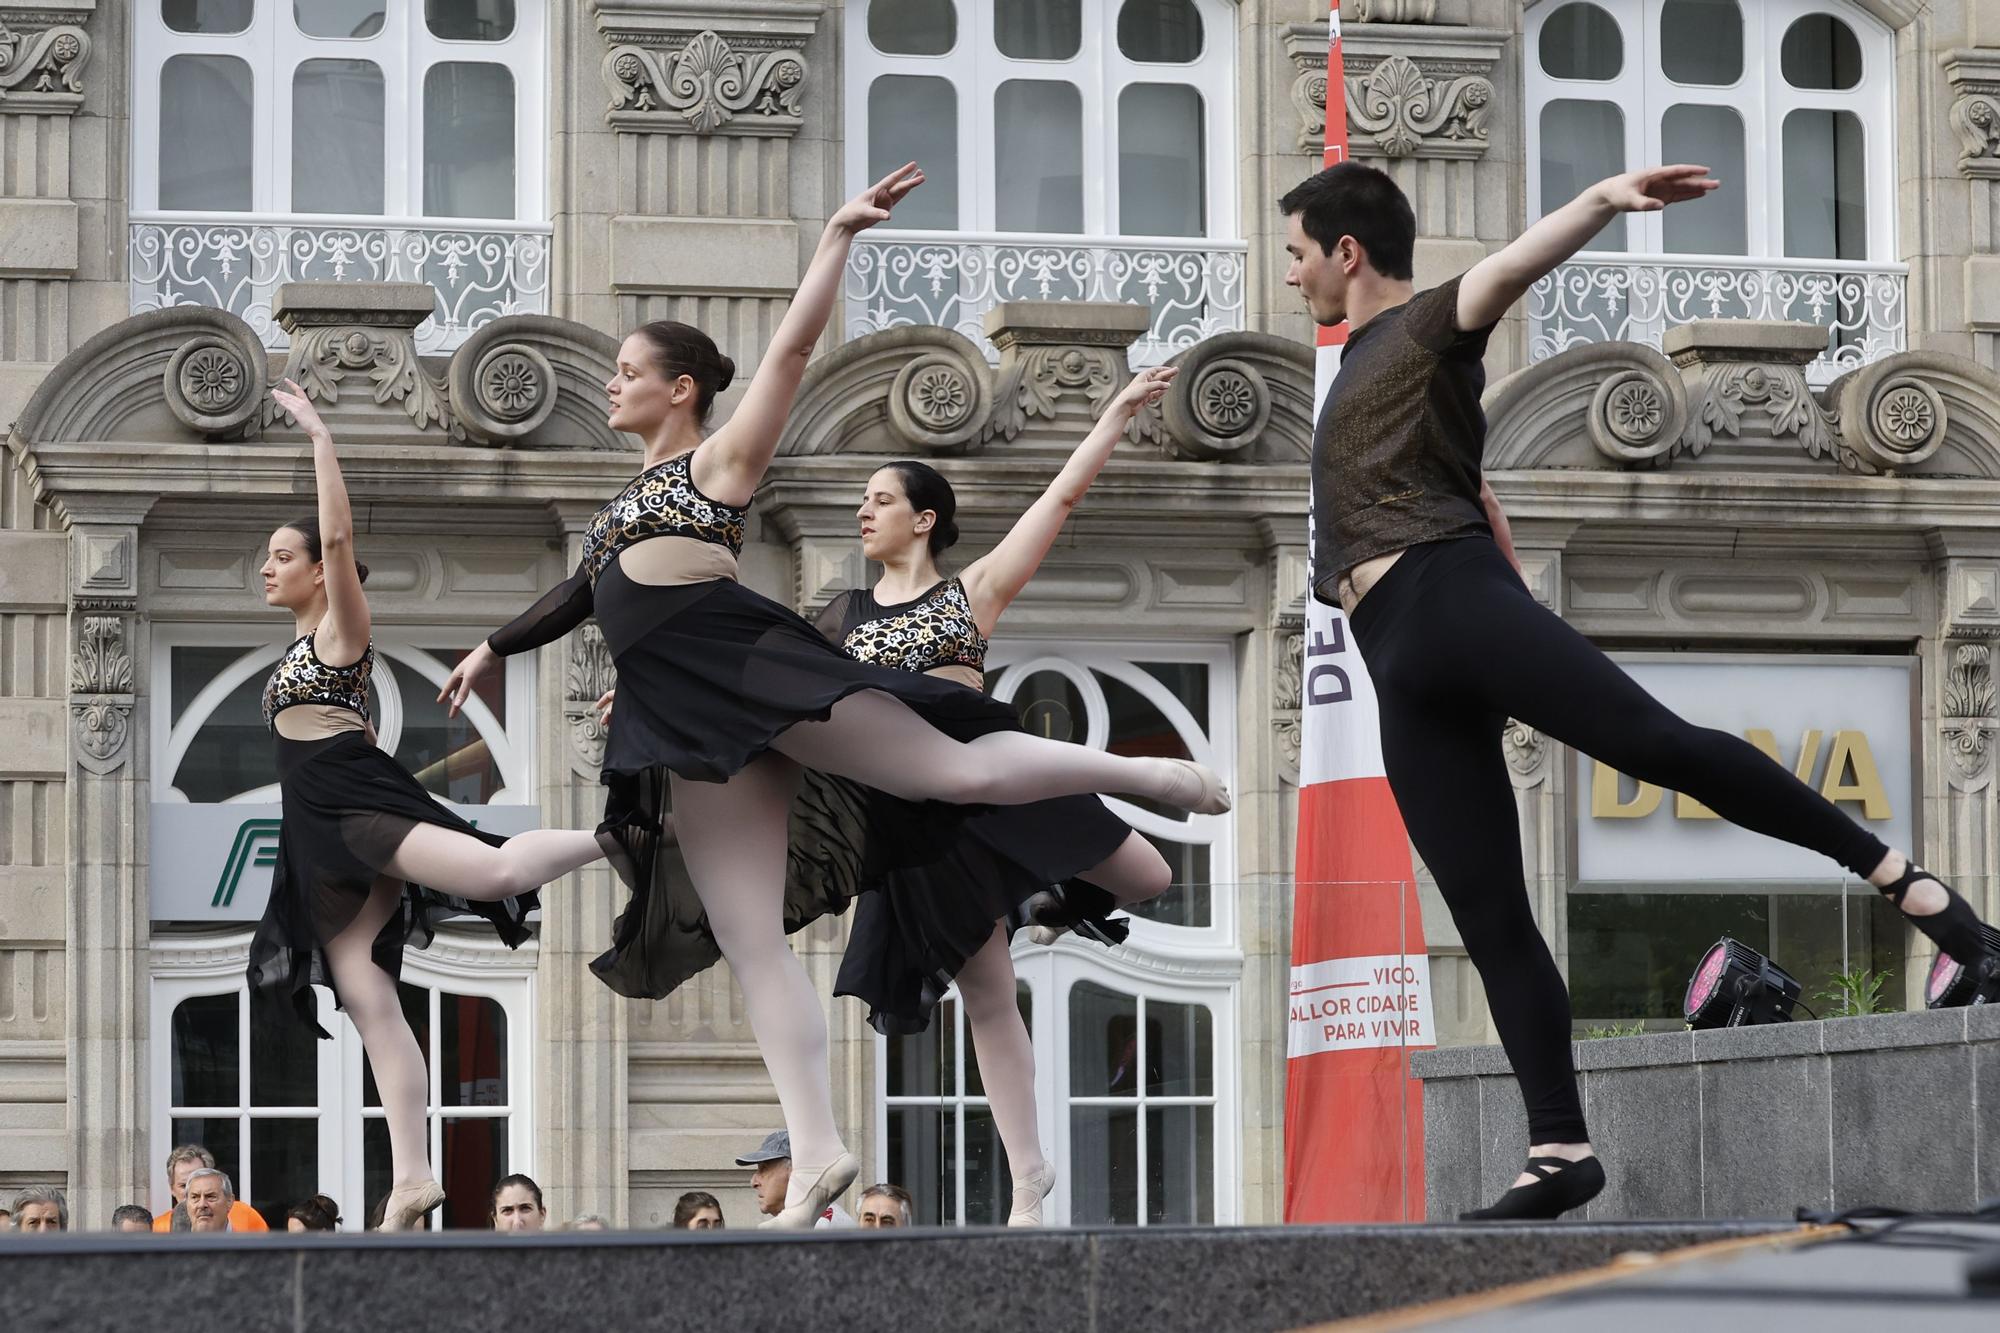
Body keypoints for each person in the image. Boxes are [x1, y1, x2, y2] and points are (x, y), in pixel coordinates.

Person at [440, 163, 1227, 1230]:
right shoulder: (619, 503)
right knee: (746, 931)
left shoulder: (716, 464)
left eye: (628, 370)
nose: (611, 383)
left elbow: (792, 354)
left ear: (679, 390)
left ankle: (1137, 772)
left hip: (743, 672)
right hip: (681, 718)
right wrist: (491, 645)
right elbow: (579, 592)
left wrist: (833, 244)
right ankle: (815, 1147)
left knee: (951, 768)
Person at [1283, 159, 2000, 1222]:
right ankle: (1557, 1148)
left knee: (1660, 745)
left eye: (1297, 254)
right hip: (1395, 647)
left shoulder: (1424, 323)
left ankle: (1914, 890)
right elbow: (1462, 478)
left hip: (1447, 598)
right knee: (1485, 911)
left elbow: (1505, 270)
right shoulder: (1349, 373)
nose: (1291, 276)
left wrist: (1600, 203)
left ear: (1347, 252)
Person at [245, 381, 607, 1232]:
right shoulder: (305, 644)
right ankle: (413, 1176)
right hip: (316, 827)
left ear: (316, 571)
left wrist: (320, 437)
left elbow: (338, 534)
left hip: (347, 804)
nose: (267, 566)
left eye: (279, 555)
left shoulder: (341, 629)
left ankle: (620, 832)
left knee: (491, 869)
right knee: (368, 998)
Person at [736, 1131, 853, 1229]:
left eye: (764, 1170)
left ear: (796, 1171)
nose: (753, 1182)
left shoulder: (824, 1224)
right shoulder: (810, 1219)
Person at [152, 1145, 268, 1233]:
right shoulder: (157, 1229)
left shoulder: (245, 1215)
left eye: (210, 1195)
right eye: (183, 1186)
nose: (201, 1203)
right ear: (172, 1188)